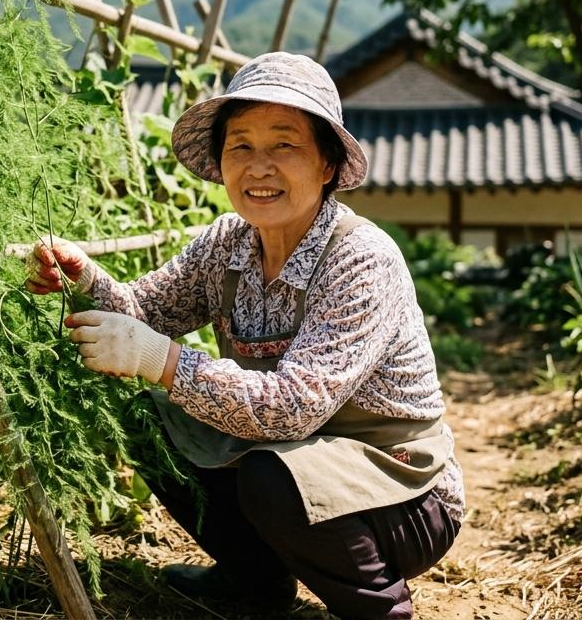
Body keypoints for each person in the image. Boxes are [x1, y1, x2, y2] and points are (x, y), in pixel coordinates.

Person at [26, 53, 464, 619]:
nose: (259, 167)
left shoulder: (361, 258)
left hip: (400, 487)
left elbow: (293, 411)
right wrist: (85, 276)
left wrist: (160, 359)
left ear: (327, 165)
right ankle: (255, 583)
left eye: (284, 145)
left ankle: (378, 607)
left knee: (268, 473)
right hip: (298, 460)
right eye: (241, 146)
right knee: (150, 420)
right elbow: (145, 313)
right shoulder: (228, 245)